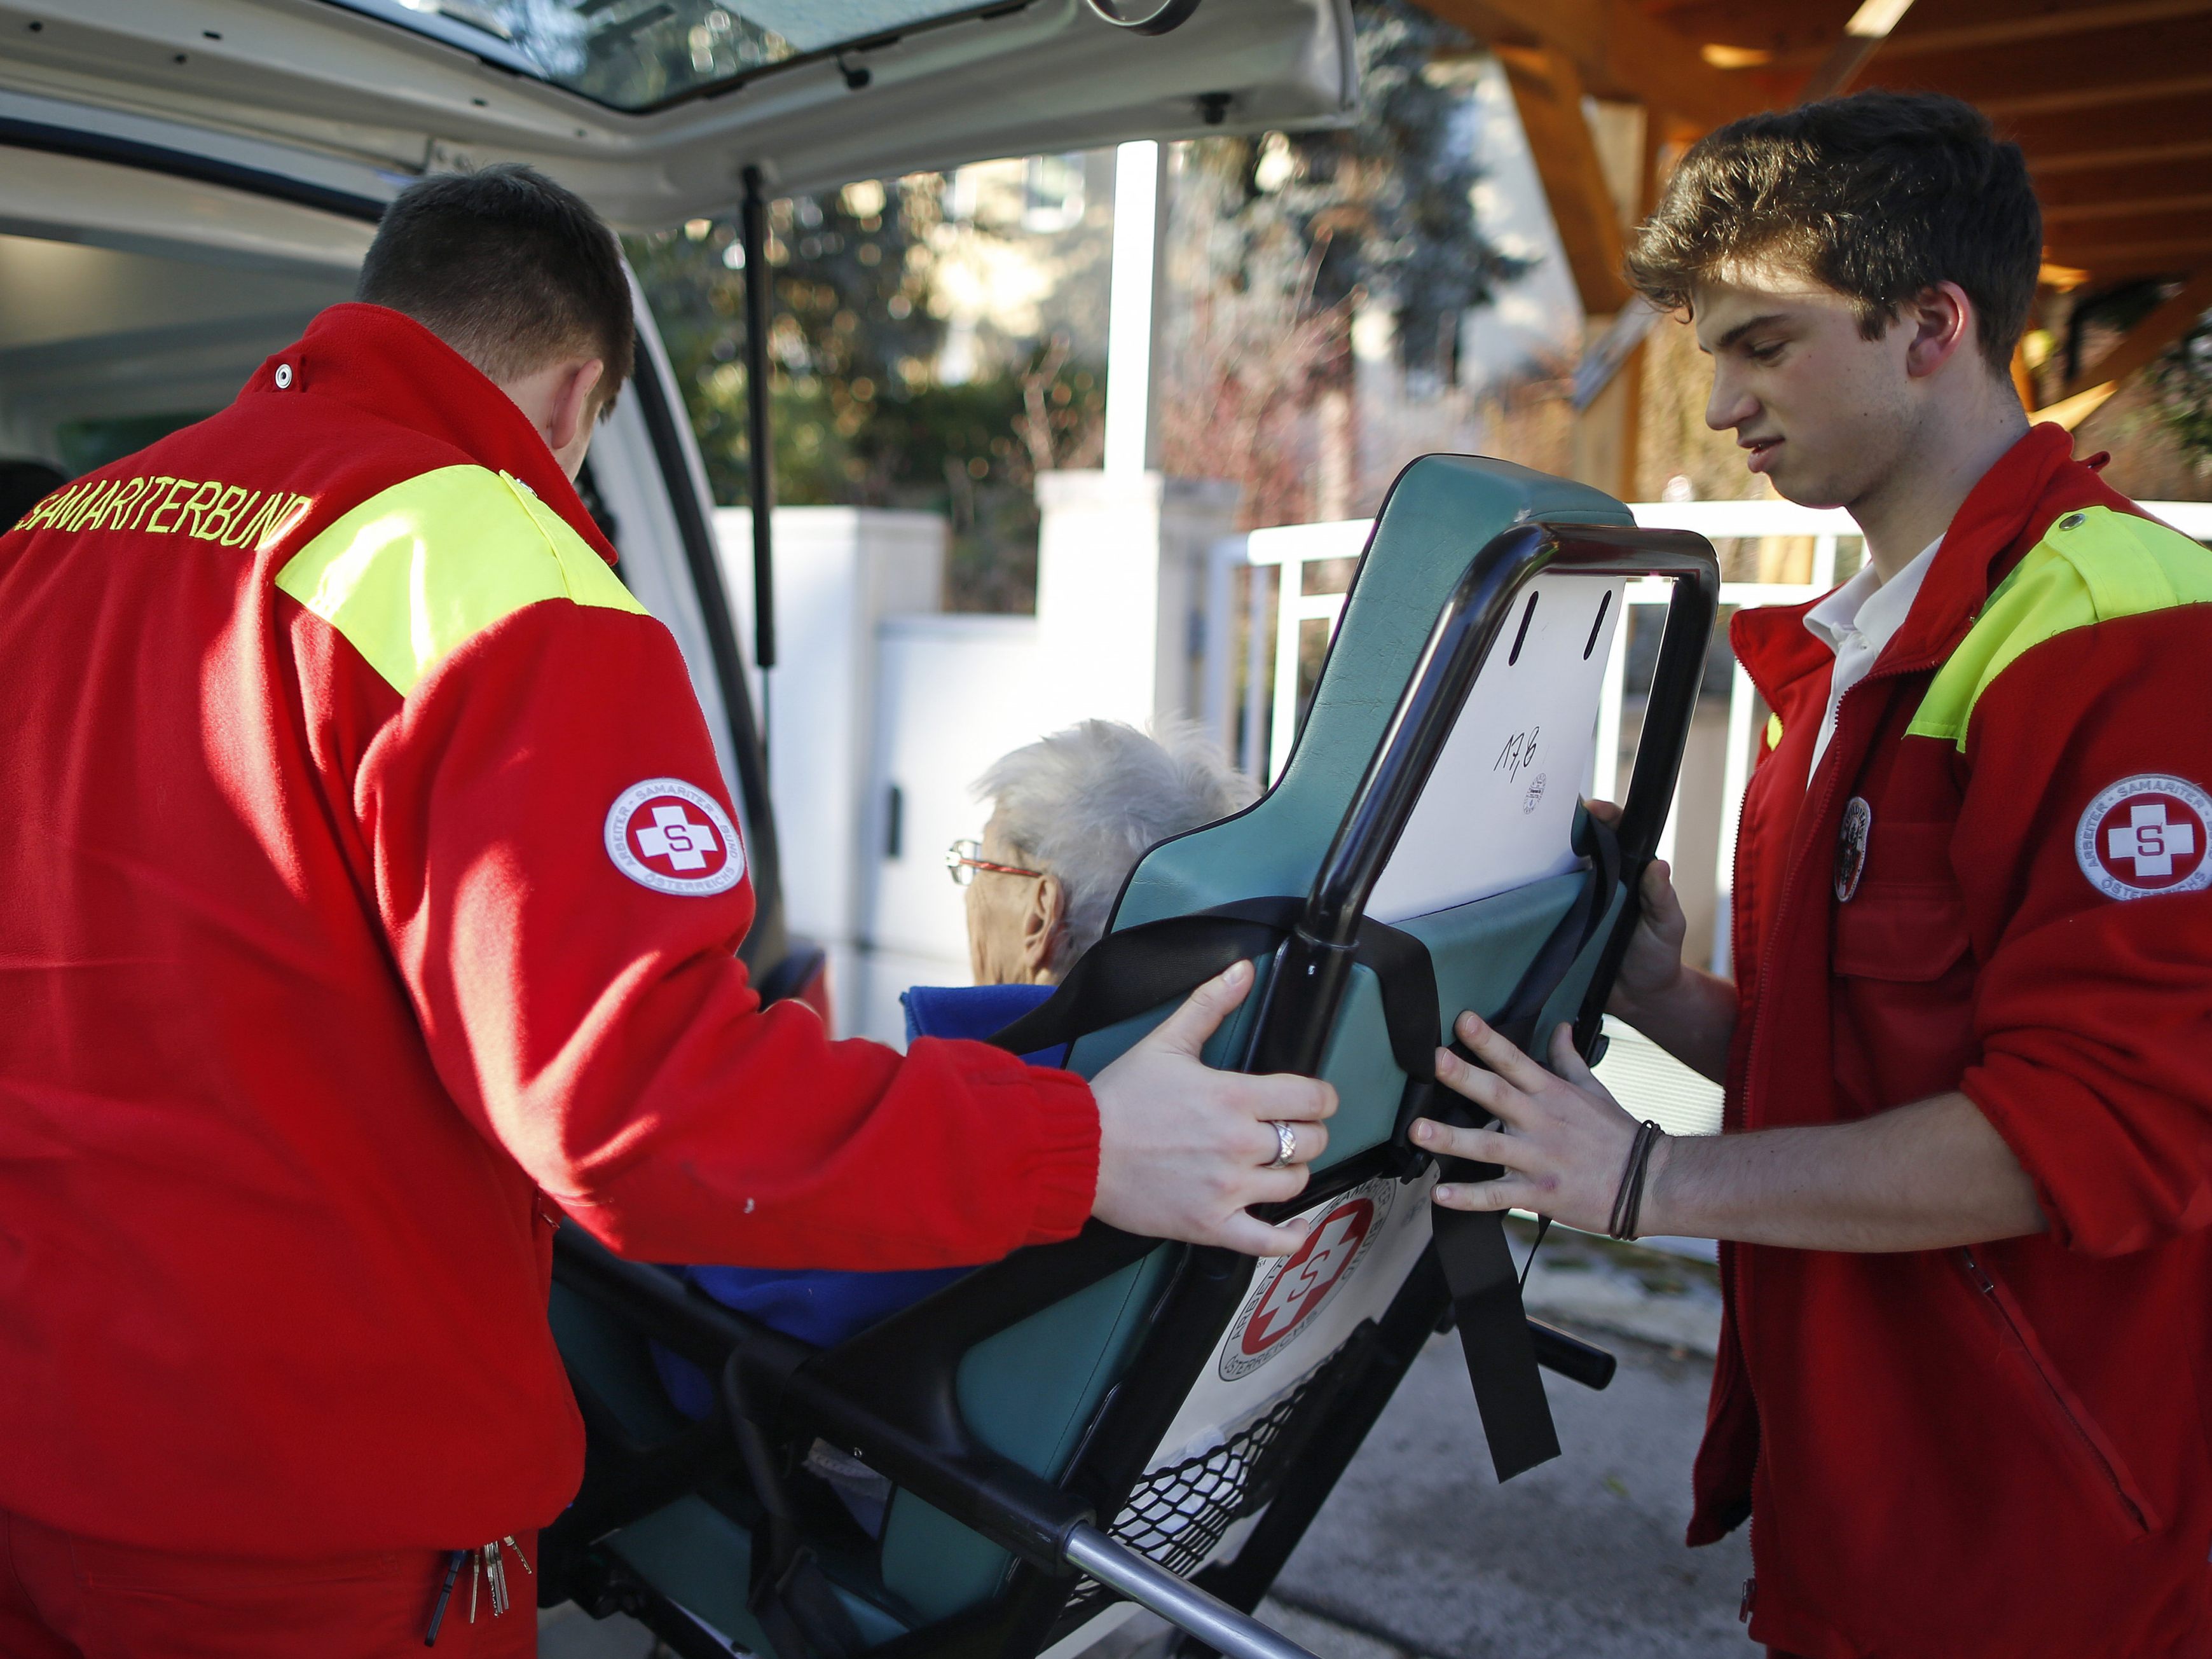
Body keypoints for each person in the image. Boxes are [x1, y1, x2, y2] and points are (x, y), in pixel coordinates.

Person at [0, 166, 1334, 1655]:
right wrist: (1081, 1142)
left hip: (38, 1437)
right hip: (298, 1506)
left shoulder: (60, 533)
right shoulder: (495, 569)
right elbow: (635, 1108)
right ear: (578, 400)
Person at [1410, 93, 2212, 1658]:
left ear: (1933, 323)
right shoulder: (1862, 647)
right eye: (1715, 352)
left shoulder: (2130, 633)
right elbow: (1855, 1068)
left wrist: (1649, 1180)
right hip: (1869, 1495)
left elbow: (2097, 1127)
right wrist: (1661, 997)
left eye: (1766, 345)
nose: (1720, 404)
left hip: (2052, 1547)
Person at [663, 719, 1260, 1371]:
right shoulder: (1223, 1105)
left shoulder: (983, 1117)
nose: (968, 890)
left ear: (1039, 913)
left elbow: (727, 1323)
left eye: (976, 864)